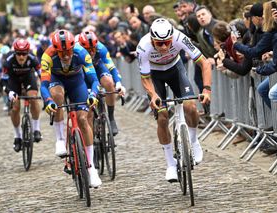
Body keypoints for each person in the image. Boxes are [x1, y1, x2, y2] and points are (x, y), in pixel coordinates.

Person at [136, 18, 211, 182]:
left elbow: (204, 63)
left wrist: (206, 89)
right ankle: (170, 163)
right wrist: (153, 95)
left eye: (167, 43)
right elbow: (145, 78)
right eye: (159, 43)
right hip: (154, 75)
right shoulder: (143, 47)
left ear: (172, 37)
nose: (163, 47)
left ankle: (193, 140)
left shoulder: (179, 37)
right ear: (151, 39)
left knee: (190, 106)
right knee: (162, 117)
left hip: (175, 69)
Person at [40, 29, 102, 188]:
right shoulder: (47, 56)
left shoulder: (81, 52)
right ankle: (60, 139)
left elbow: (94, 80)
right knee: (57, 96)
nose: (66, 55)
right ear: (55, 50)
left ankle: (91, 168)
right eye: (62, 53)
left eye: (68, 51)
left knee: (83, 119)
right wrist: (48, 101)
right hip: (57, 80)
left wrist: (93, 94)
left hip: (76, 81)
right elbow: (44, 85)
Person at [77, 31, 126, 135]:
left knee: (109, 83)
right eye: (87, 50)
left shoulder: (101, 48)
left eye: (93, 49)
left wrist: (118, 83)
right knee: (88, 104)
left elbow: (111, 67)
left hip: (98, 67)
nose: (91, 52)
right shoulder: (77, 51)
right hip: (83, 72)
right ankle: (90, 136)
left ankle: (111, 118)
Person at [3, 38, 42, 152]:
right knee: (15, 108)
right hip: (13, 80)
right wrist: (9, 92)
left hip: (28, 78)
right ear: (15, 53)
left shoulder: (33, 59)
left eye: (24, 54)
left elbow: (41, 75)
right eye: (19, 54)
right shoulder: (8, 61)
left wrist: (45, 87)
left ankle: (36, 129)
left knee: (33, 98)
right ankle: (17, 136)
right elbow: (4, 81)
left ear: (27, 53)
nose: (21, 57)